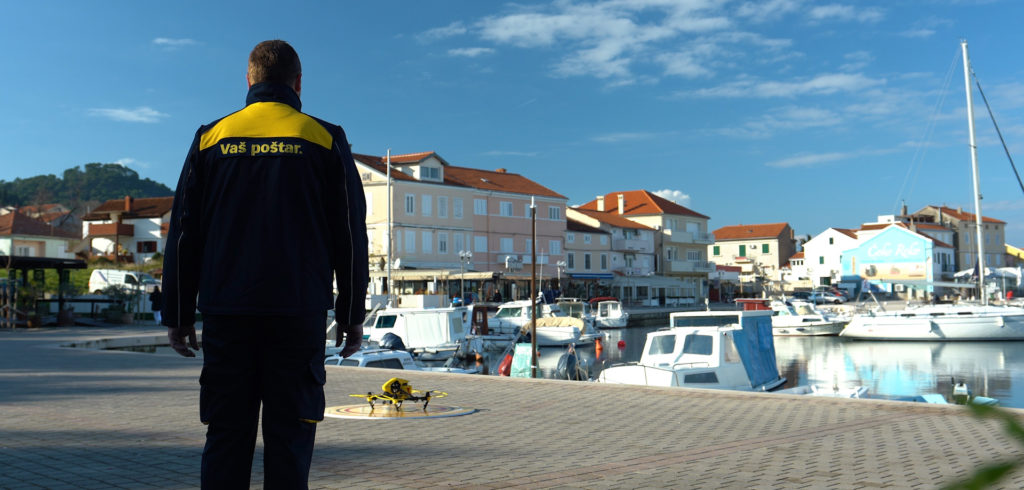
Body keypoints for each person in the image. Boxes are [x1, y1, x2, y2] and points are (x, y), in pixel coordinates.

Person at [161, 40, 368, 489]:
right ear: (298, 83)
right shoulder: (325, 138)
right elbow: (350, 235)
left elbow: (183, 235)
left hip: (227, 313)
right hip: (297, 314)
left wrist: (177, 315)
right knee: (291, 440)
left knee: (226, 437)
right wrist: (352, 314)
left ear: (249, 79)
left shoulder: (211, 138)